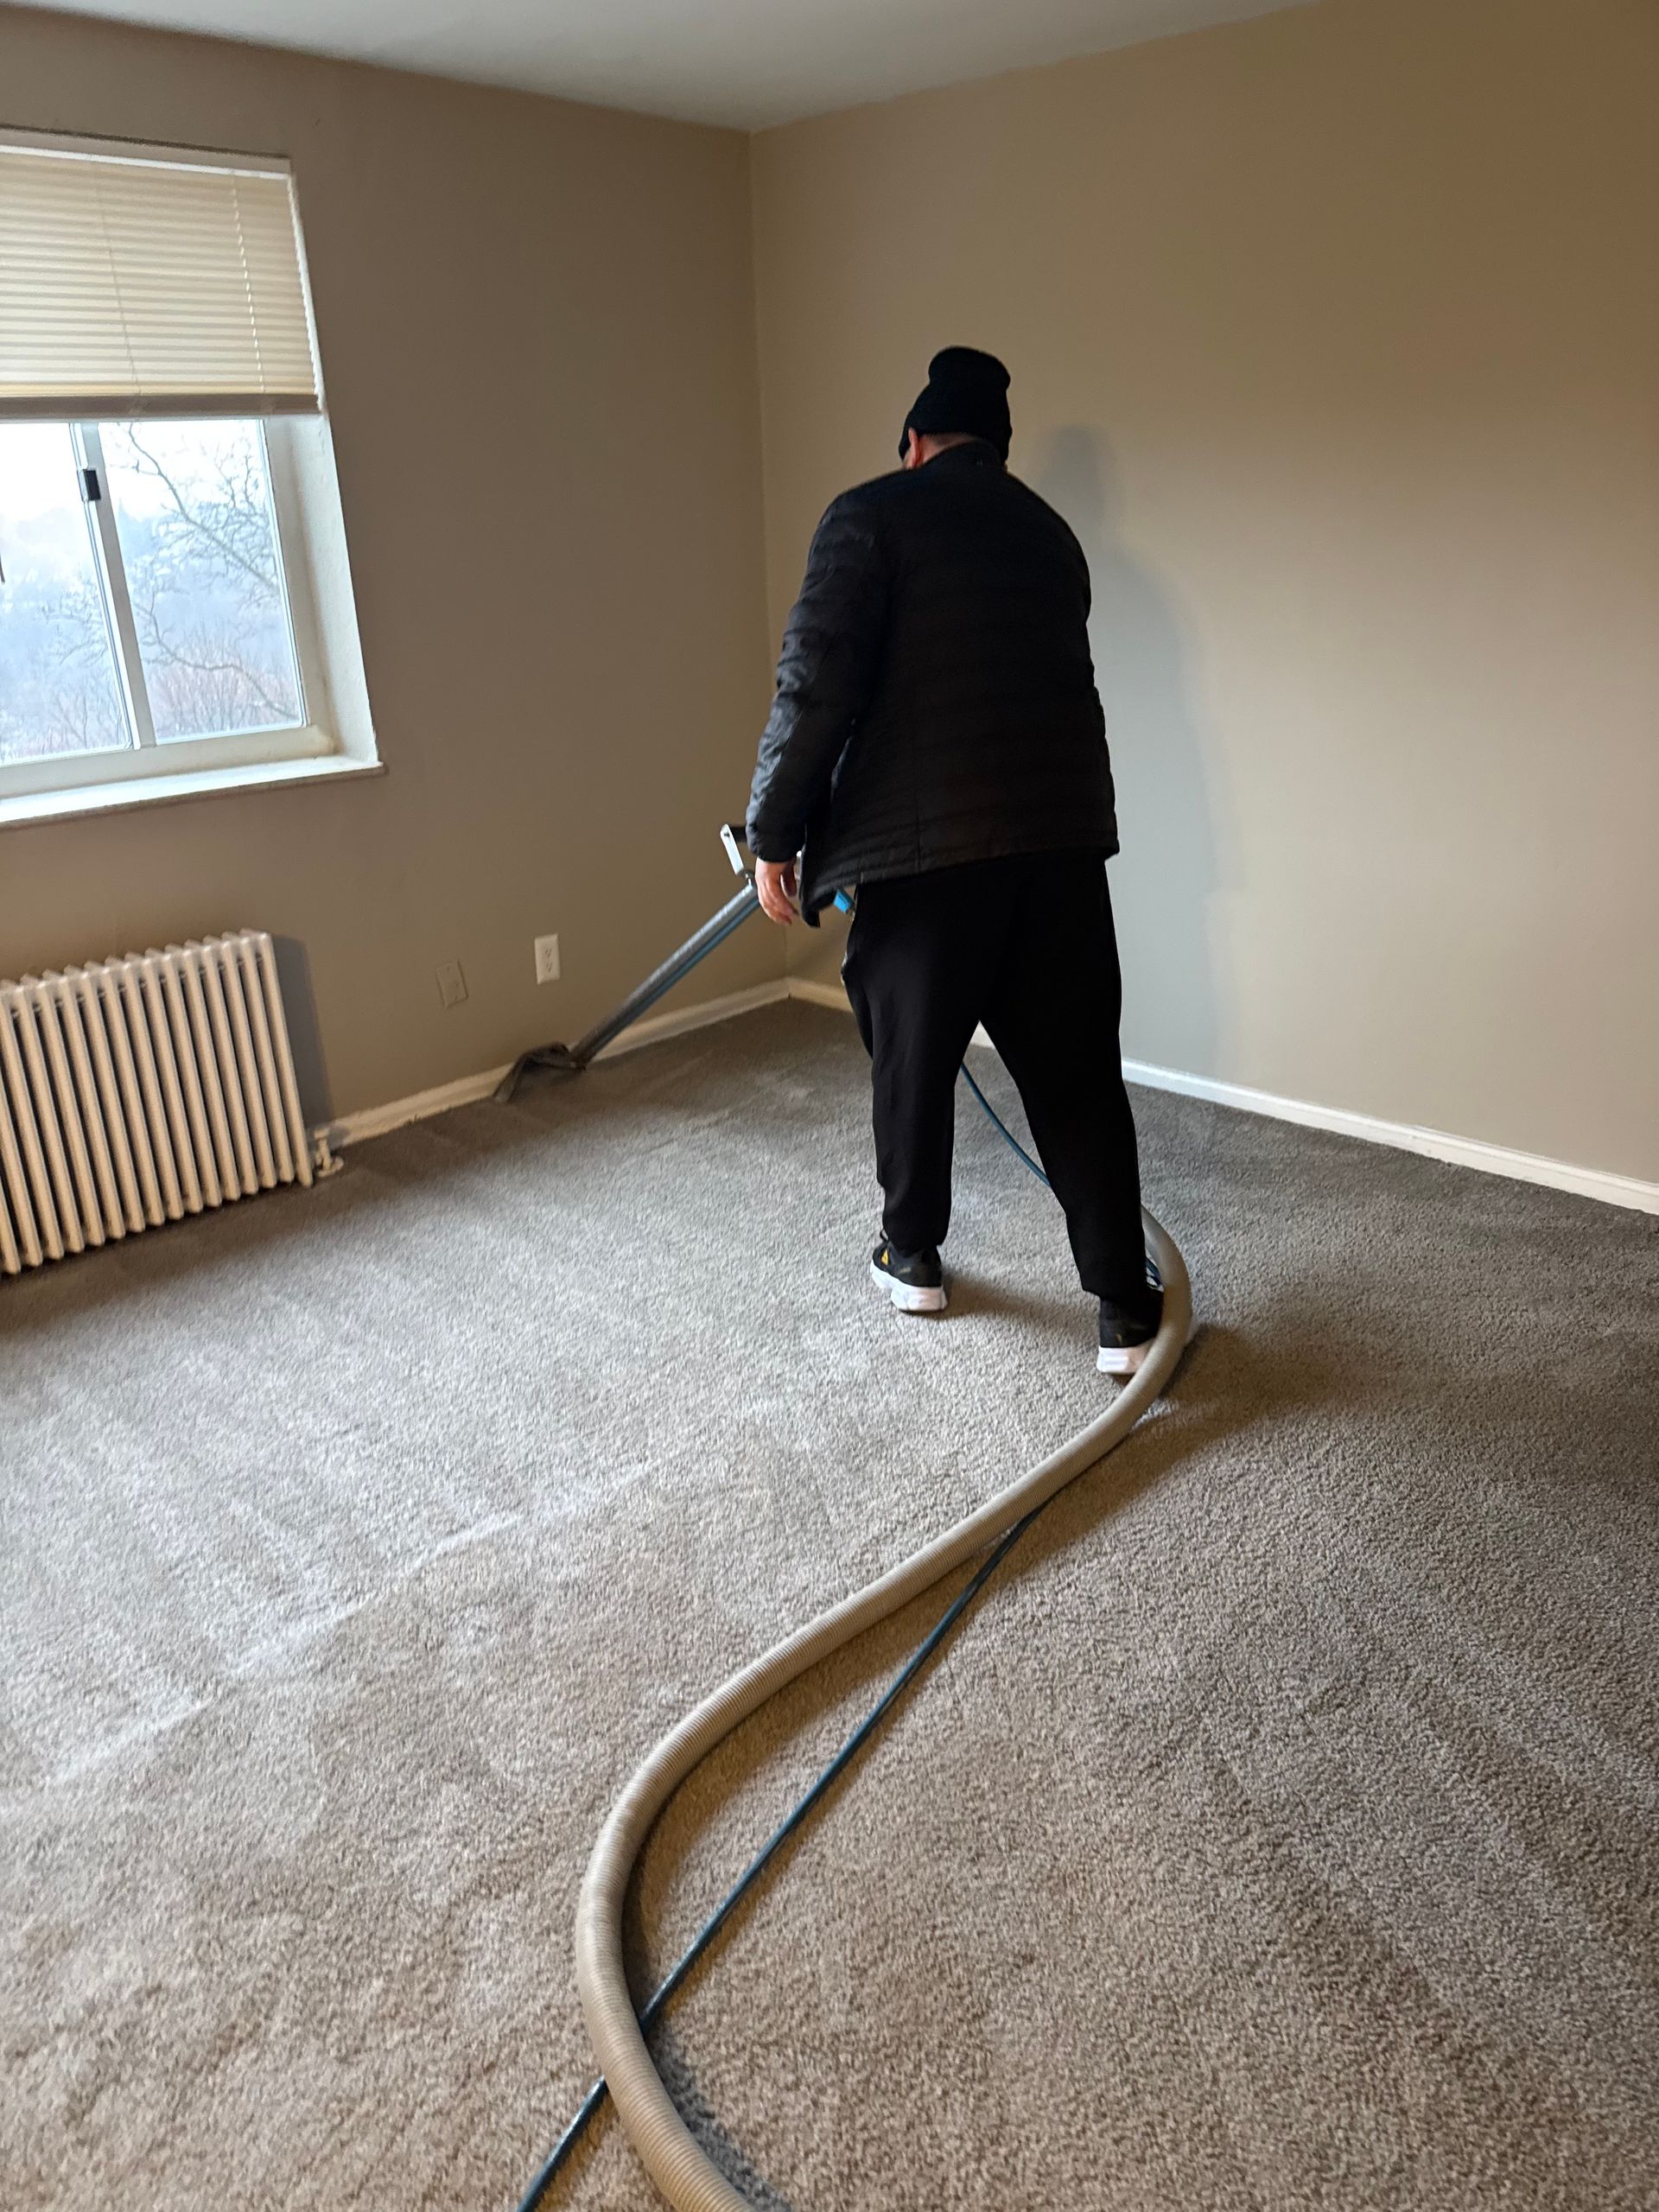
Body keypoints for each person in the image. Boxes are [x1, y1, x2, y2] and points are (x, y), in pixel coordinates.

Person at [745, 346, 1160, 1376]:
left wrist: (772, 831)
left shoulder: (869, 515)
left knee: (913, 1063)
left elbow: (815, 682)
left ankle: (913, 1253)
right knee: (1077, 1072)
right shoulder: (1051, 537)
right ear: (998, 449)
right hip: (1062, 843)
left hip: (927, 854)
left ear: (914, 443)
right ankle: (1122, 1302)